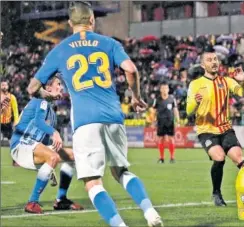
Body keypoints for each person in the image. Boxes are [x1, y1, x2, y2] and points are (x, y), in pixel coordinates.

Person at [27, 2, 162, 226]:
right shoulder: (109, 43)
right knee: (121, 171)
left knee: (92, 182)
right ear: (92, 20)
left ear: (70, 23)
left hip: (85, 121)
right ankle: (149, 212)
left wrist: (50, 96)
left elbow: (32, 88)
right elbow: (131, 69)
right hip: (113, 117)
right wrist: (136, 97)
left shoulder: (60, 49)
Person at [186, 48, 244, 207]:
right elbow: (188, 110)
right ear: (202, 65)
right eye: (209, 60)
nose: (214, 62)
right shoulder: (195, 84)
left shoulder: (226, 81)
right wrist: (195, 102)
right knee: (219, 158)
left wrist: (242, 81)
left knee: (240, 159)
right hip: (206, 130)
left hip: (225, 128)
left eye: (215, 59)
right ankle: (216, 193)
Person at [11, 76, 83, 214]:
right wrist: (54, 132)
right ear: (48, 88)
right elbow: (38, 122)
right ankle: (32, 202)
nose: (61, 87)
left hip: (31, 145)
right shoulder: (41, 100)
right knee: (53, 157)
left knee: (72, 156)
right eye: (58, 84)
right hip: (21, 144)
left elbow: (41, 139)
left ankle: (61, 199)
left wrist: (48, 164)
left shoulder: (49, 108)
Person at [152, 81, 179, 164]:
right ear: (160, 90)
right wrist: (153, 121)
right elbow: (153, 111)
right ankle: (161, 158)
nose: (164, 90)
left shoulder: (172, 99)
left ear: (168, 89)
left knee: (171, 139)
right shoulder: (157, 99)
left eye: (166, 88)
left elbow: (175, 110)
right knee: (161, 139)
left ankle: (172, 157)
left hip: (170, 121)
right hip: (160, 122)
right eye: (163, 88)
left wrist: (177, 121)